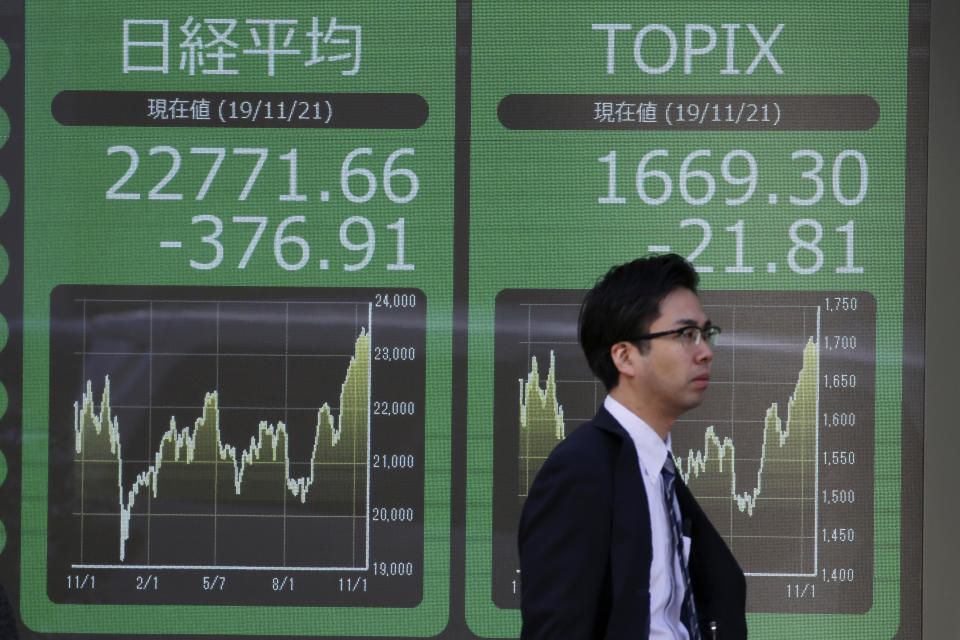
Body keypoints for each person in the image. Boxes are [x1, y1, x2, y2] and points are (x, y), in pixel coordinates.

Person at [518, 254, 746, 639]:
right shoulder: (581, 469)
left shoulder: (658, 471)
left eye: (707, 333)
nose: (705, 350)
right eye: (685, 334)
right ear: (624, 356)